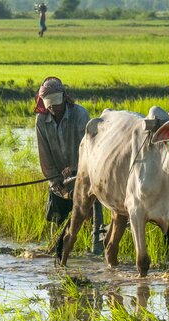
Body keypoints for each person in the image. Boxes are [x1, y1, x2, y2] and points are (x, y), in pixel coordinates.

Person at [34, 77, 104, 255]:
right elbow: (44, 154)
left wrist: (75, 167)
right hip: (58, 176)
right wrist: (53, 179)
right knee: (58, 217)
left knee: (91, 212)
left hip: (84, 173)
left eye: (56, 103)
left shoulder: (80, 115)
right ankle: (57, 249)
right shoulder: (41, 121)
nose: (53, 108)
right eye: (49, 104)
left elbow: (91, 147)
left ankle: (97, 248)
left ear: (64, 98)